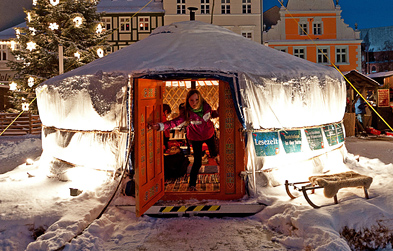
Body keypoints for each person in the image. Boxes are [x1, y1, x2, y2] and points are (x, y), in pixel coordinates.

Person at [149, 89, 219, 191]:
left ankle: (225, 176)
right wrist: (161, 126)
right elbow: (175, 122)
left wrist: (218, 112)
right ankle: (192, 185)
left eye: (196, 100)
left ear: (200, 99)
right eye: (191, 100)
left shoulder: (206, 108)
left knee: (216, 155)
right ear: (188, 101)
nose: (194, 103)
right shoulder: (187, 113)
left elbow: (212, 114)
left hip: (209, 135)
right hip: (196, 138)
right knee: (197, 162)